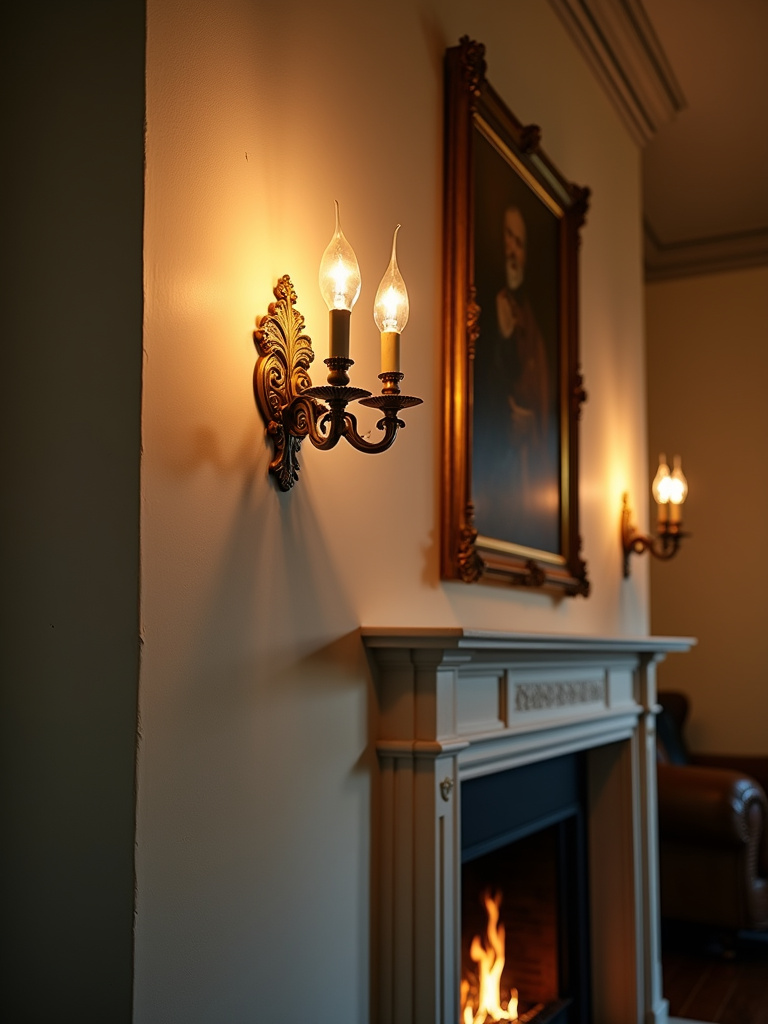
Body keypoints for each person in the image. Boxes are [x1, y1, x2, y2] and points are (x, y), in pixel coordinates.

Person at [472, 204, 558, 551]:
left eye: (519, 242)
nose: (512, 249)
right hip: (494, 468)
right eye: (507, 236)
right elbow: (481, 387)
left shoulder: (532, 322)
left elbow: (541, 399)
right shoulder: (485, 306)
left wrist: (530, 421)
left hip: (523, 472)